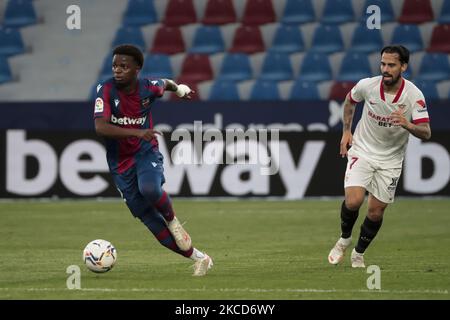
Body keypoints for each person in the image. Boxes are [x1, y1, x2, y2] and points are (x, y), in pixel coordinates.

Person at [93, 44, 213, 276]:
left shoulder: (148, 87)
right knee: (148, 219)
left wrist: (179, 90)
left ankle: (173, 220)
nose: (117, 70)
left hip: (145, 151)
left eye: (124, 66)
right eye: (115, 65)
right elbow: (101, 127)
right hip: (120, 163)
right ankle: (200, 257)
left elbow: (165, 83)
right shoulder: (105, 89)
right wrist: (136, 131)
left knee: (149, 188)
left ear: (137, 69)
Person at [328, 45, 431, 268]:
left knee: (375, 212)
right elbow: (350, 101)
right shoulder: (368, 85)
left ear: (403, 66)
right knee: (354, 200)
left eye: (391, 65)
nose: (385, 69)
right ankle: (344, 239)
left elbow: (426, 132)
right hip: (363, 150)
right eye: (383, 64)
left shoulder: (414, 95)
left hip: (391, 159)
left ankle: (358, 253)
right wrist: (347, 130)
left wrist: (408, 124)